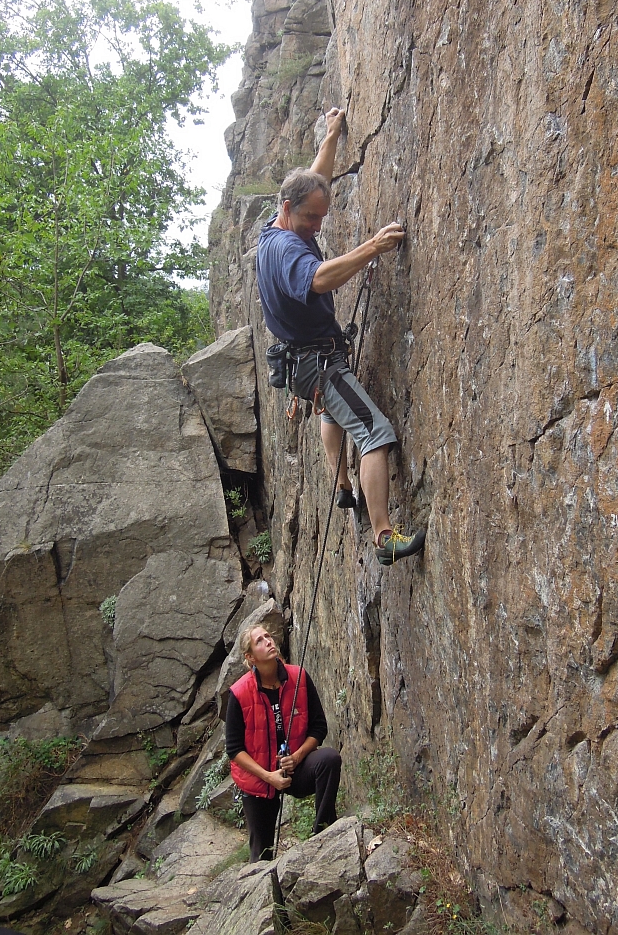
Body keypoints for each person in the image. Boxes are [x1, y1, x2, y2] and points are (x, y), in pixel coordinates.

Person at [256, 106, 426, 566]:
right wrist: (371, 247)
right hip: (318, 362)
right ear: (288, 210)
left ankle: (343, 486)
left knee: (336, 411)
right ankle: (384, 537)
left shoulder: (273, 230)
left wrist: (332, 135)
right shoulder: (290, 250)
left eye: (321, 218)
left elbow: (314, 179)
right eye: (311, 218)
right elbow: (317, 280)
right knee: (374, 431)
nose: (317, 226)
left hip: (301, 364)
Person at [226, 623, 342, 862]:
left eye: (268, 636)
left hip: (294, 769)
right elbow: (234, 749)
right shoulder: (239, 693)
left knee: (329, 759)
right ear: (250, 657)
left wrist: (297, 757)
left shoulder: (298, 676)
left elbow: (319, 727)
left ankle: (322, 835)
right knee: (262, 855)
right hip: (259, 780)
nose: (268, 641)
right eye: (259, 640)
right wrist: (269, 777)